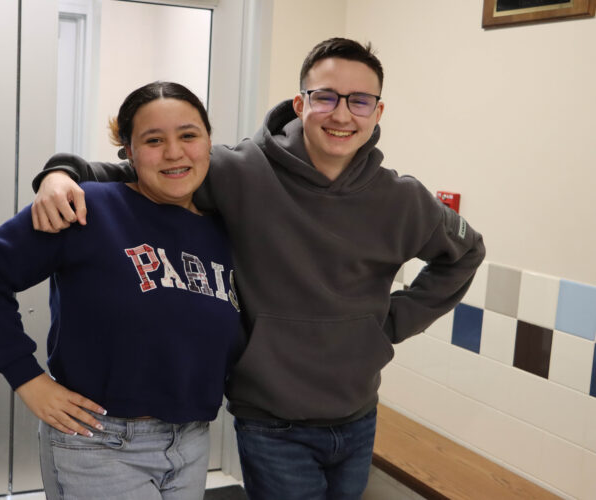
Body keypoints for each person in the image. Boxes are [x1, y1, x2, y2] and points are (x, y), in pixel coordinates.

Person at [30, 38, 486, 500]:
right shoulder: (241, 172)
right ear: (300, 104)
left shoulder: (402, 199)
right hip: (271, 421)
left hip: (359, 414)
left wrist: (387, 323)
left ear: (378, 111)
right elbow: (145, 172)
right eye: (326, 97)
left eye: (360, 101)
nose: (342, 115)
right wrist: (60, 172)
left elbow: (466, 253)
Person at [0, 81, 242, 500]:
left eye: (188, 135)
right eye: (153, 140)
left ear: (209, 142)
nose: (174, 152)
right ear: (128, 151)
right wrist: (27, 378)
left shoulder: (221, 227)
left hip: (192, 441)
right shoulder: (88, 207)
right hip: (99, 443)